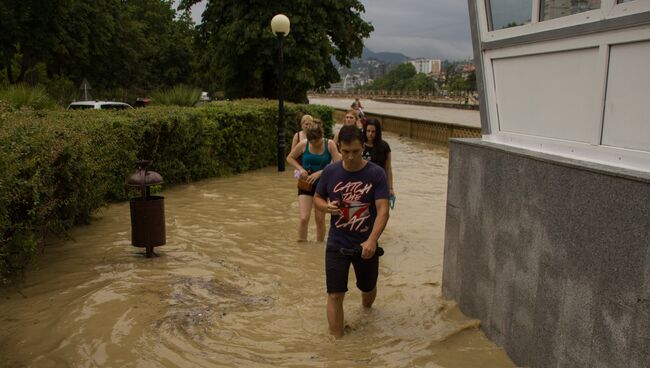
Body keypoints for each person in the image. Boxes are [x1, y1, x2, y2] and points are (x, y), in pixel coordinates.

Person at [313, 125, 390, 338]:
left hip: (365, 242)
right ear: (338, 147)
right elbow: (317, 198)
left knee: (367, 288)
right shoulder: (331, 171)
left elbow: (383, 210)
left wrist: (372, 240)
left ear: (363, 147)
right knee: (335, 295)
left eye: (355, 152)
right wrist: (325, 206)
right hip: (337, 243)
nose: (349, 157)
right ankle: (337, 346)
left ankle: (367, 311)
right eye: (345, 152)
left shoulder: (376, 173)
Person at [287, 122, 341, 242]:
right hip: (305, 185)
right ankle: (302, 246)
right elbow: (289, 158)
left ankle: (319, 245)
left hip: (322, 186)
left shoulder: (330, 144)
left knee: (320, 220)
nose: (314, 144)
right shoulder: (303, 144)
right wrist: (300, 169)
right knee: (303, 218)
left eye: (317, 141)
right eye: (311, 141)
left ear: (321, 136)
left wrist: (320, 173)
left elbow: (338, 164)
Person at [362, 119, 394, 199]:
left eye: (373, 132)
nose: (370, 134)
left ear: (378, 132)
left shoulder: (384, 146)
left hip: (380, 183)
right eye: (368, 131)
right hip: (363, 184)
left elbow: (388, 168)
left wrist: (390, 188)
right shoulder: (360, 146)